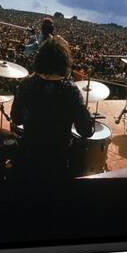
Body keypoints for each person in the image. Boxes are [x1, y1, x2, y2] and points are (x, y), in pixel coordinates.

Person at [10, 36, 94, 181]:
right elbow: (85, 130)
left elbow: (16, 119)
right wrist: (86, 114)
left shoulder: (26, 84)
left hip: (29, 159)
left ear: (40, 59)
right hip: (58, 163)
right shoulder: (71, 91)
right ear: (65, 62)